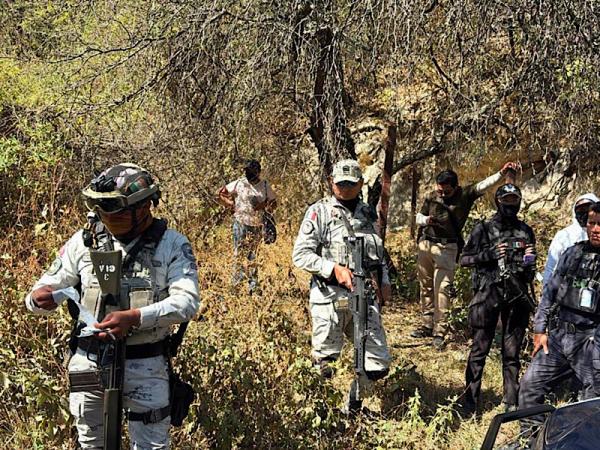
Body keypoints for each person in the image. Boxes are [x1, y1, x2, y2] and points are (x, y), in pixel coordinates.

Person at [25, 163, 200, 449]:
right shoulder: (85, 241)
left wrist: (135, 317)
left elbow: (187, 302)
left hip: (146, 365)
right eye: (100, 209)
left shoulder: (172, 244)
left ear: (143, 207)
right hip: (90, 362)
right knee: (91, 443)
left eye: (113, 210)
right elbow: (42, 290)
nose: (105, 216)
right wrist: (37, 299)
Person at [292, 159, 391, 413]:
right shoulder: (319, 211)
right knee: (325, 364)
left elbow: (379, 254)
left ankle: (354, 406)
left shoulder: (368, 213)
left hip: (365, 296)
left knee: (376, 365)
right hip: (329, 298)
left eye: (350, 184)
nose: (345, 189)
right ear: (331, 182)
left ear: (360, 183)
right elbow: (300, 255)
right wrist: (333, 269)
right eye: (340, 184)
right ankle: (319, 414)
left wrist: (384, 281)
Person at [517, 202, 600, 444]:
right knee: (529, 386)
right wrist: (540, 329)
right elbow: (549, 293)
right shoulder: (573, 253)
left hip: (591, 341)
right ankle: (532, 441)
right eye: (592, 223)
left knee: (590, 404)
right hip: (559, 337)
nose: (595, 229)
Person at [411, 162, 518, 349]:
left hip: (447, 248)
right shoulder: (432, 196)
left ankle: (440, 331)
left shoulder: (465, 195)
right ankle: (427, 323)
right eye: (440, 191)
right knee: (425, 286)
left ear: (455, 187)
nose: (442, 195)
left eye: (446, 192)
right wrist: (426, 220)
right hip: (426, 244)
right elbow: (418, 216)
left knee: (443, 289)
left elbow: (484, 185)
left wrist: (501, 173)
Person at [459, 184, 536, 415]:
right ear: (498, 201)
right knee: (479, 351)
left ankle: (511, 401)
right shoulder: (483, 229)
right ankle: (470, 402)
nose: (511, 204)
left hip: (516, 296)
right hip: (488, 295)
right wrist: (488, 255)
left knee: (511, 353)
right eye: (507, 200)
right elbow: (464, 259)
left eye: (514, 200)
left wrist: (529, 262)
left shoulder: (525, 231)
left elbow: (529, 272)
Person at [217, 159, 277, 294]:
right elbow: (221, 193)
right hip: (240, 224)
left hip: (257, 225)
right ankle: (236, 286)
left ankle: (253, 287)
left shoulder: (264, 186)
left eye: (251, 171)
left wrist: (264, 206)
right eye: (247, 171)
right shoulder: (239, 183)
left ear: (258, 172)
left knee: (253, 256)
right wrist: (230, 204)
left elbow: (274, 203)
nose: (248, 174)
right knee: (238, 254)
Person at [542, 193, 599, 285]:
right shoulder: (564, 235)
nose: (584, 213)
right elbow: (551, 267)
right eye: (580, 210)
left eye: (587, 208)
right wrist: (546, 287)